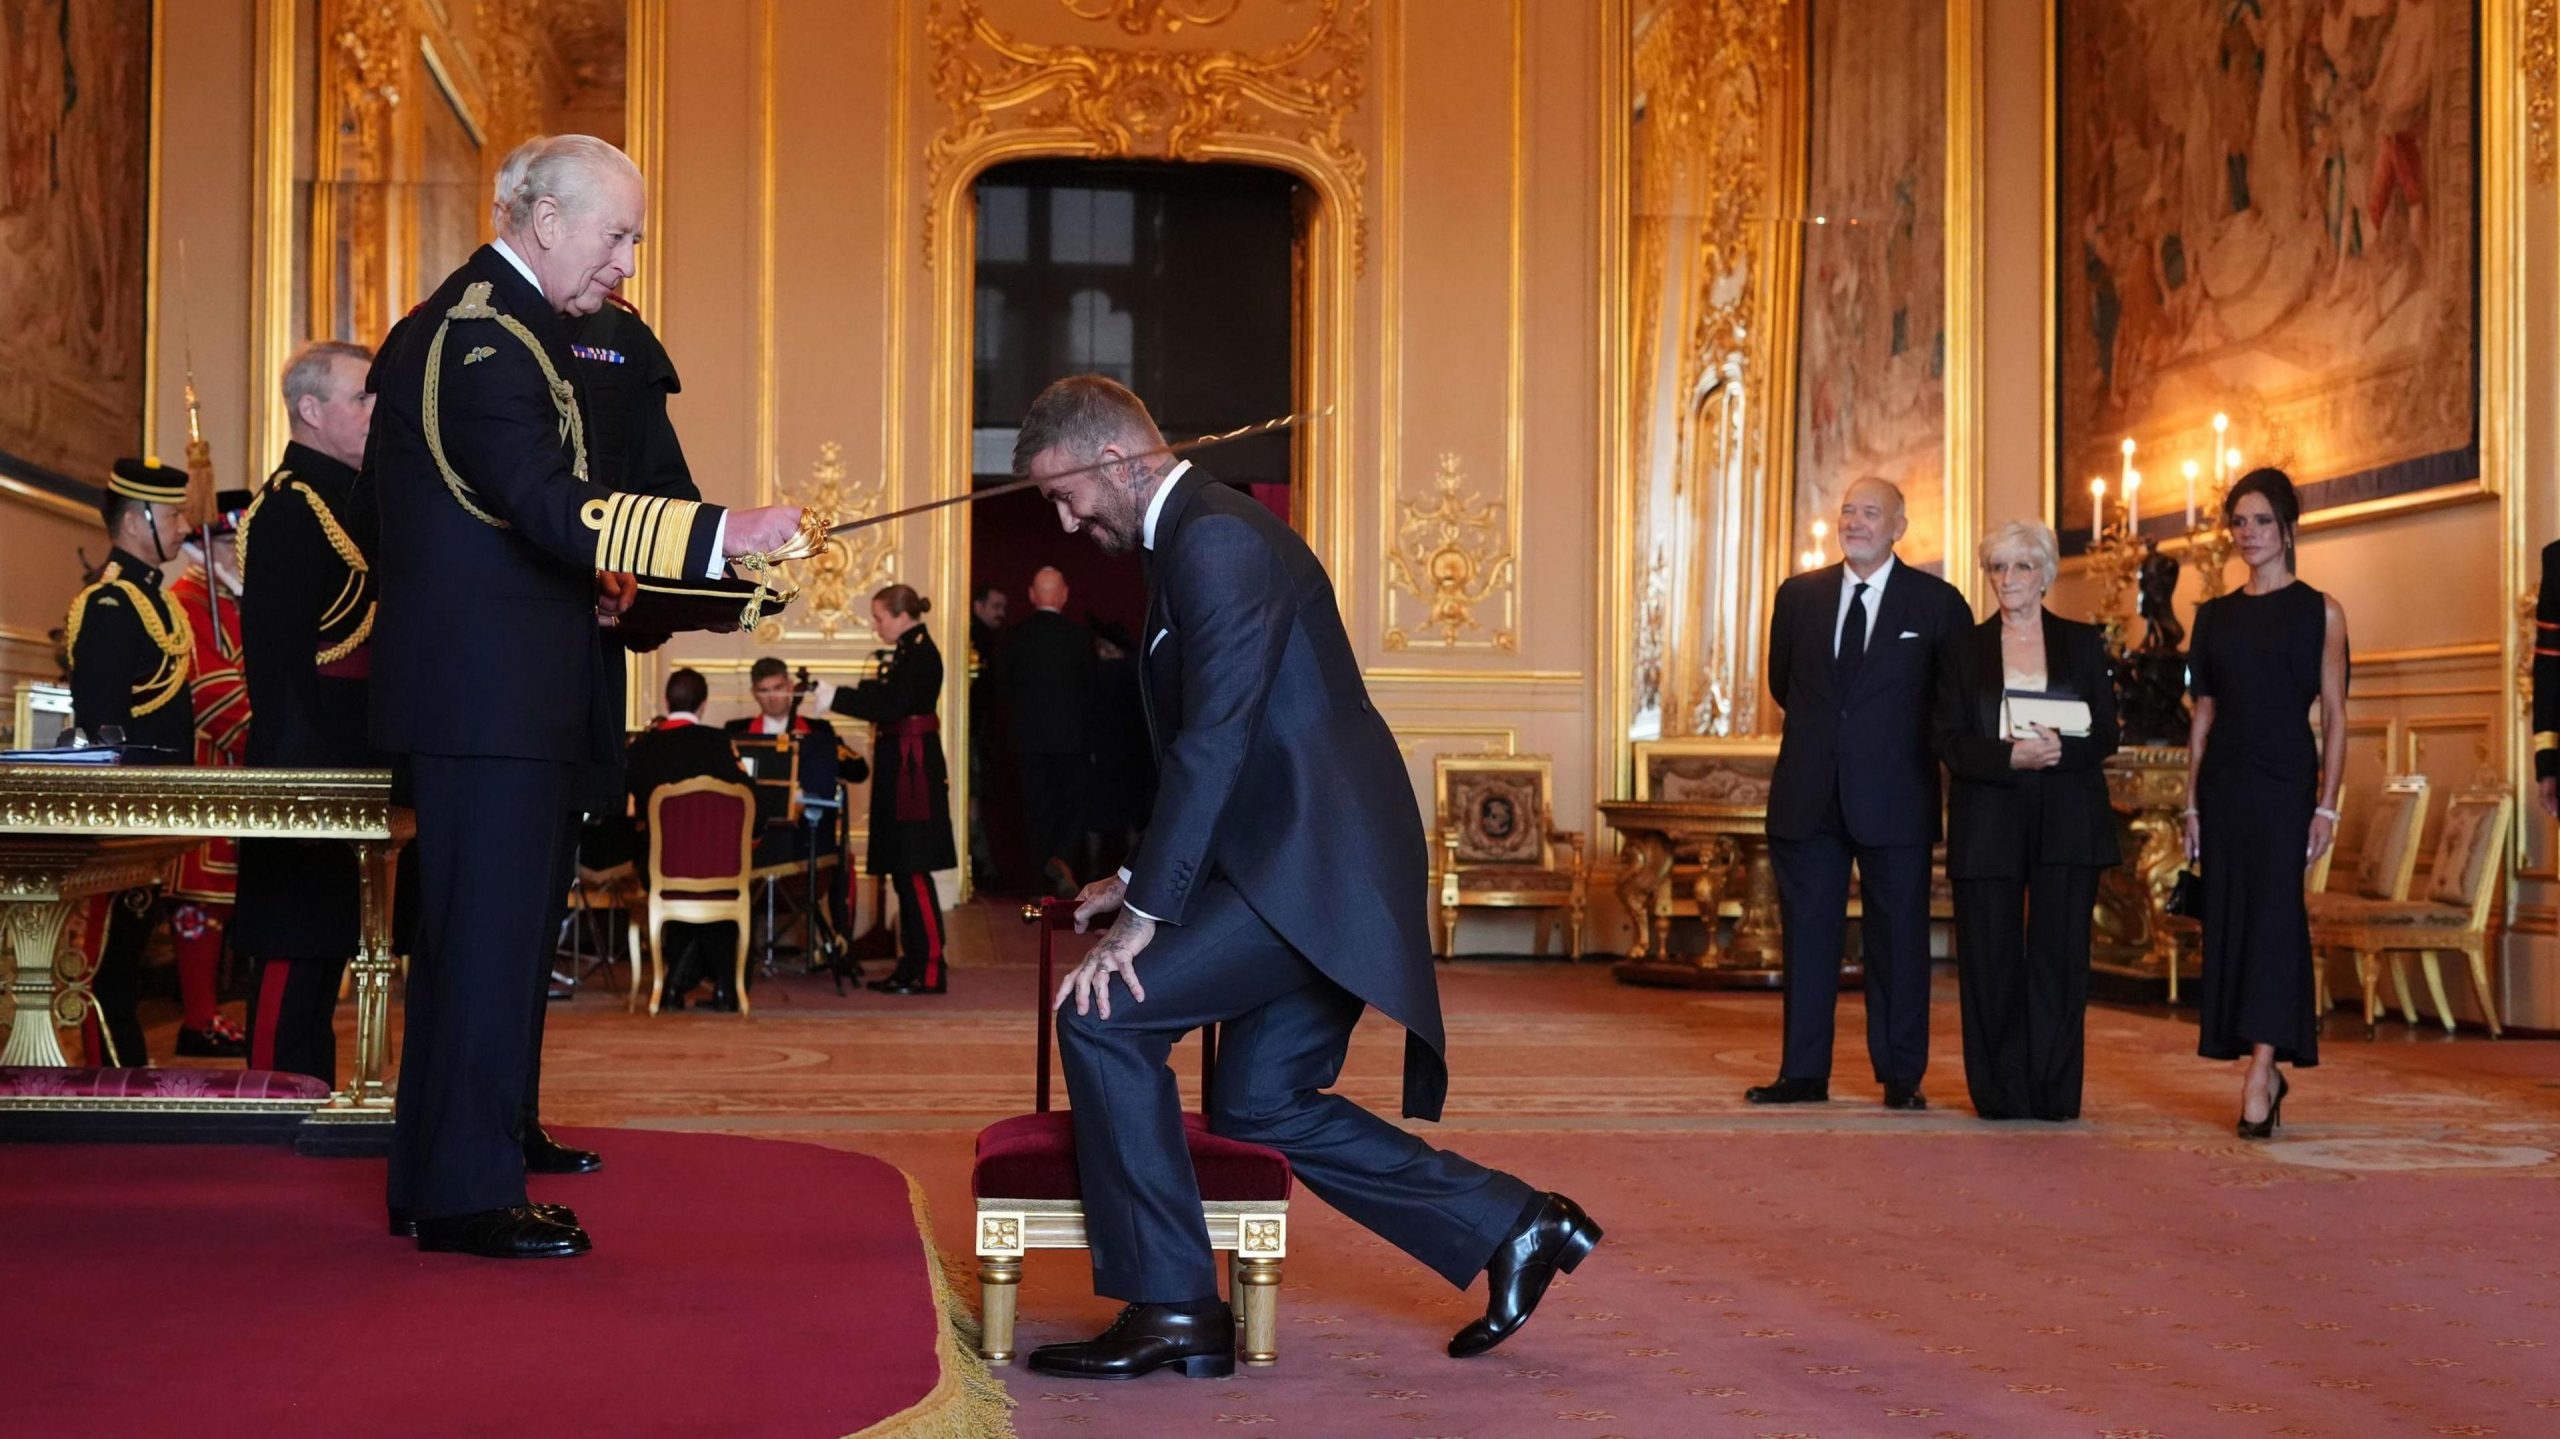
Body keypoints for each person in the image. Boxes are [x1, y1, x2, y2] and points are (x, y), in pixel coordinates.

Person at [1015, 376, 1594, 1381]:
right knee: (1260, 1098)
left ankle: (1171, 1307)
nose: (1065, 522)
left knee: (1103, 1015)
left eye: (1066, 495)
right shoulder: (1192, 536)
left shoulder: (1219, 538)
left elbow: (1219, 739)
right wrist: (1137, 870)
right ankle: (1516, 1223)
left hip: (1309, 871)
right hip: (1300, 858)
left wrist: (1147, 913)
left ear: (1115, 460)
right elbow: (1235, 745)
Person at [369, 133, 800, 1258]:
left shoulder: (514, 331)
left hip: (511, 697)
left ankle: (444, 1176)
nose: (625, 263)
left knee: (494, 945)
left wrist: (714, 578)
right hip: (488, 703)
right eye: (617, 235)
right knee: (485, 945)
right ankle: (465, 1195)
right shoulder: (480, 336)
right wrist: (724, 530)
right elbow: (547, 500)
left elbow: (558, 515)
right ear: (544, 220)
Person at [1748, 476, 1972, 1111]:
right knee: (1808, 940)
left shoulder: (1937, 604)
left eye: (1871, 513)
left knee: (1899, 943)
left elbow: (1947, 701)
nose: (1856, 522)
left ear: (1899, 527)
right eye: (1848, 511)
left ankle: (1901, 1077)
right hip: (1808, 795)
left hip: (1896, 798)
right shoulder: (1799, 597)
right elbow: (1785, 685)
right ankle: (1803, 1073)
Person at [1934, 520, 2120, 1121]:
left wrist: (2063, 750)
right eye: (1997, 568)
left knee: (2060, 959)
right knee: (1988, 958)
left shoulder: (2083, 643)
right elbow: (1947, 738)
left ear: (2044, 574)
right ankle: (1999, 1092)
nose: (2007, 579)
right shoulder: (1963, 648)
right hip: (1988, 813)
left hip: (2067, 814)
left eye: (2020, 567)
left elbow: (2107, 732)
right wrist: (2008, 756)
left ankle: (2053, 1093)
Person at [2183, 468, 2348, 1139]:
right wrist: (2191, 803)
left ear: (2286, 526)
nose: (2247, 534)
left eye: (2259, 521)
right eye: (2238, 522)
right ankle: (2262, 1064)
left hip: (2286, 786)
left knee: (2277, 919)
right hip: (2224, 787)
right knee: (2234, 921)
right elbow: (2203, 715)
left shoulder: (2321, 610)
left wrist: (2328, 805)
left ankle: (2261, 1068)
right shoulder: (2213, 616)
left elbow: (2336, 714)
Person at [234, 340, 380, 1085]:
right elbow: (278, 661)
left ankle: (311, 1099)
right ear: (312, 411)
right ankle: (269, 1108)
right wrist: (297, 788)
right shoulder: (291, 507)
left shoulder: (355, 500)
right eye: (362, 396)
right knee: (296, 954)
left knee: (331, 953)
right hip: (309, 769)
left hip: (357, 762)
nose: (375, 409)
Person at [64, 458, 199, 1067]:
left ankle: (127, 1076)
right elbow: (101, 725)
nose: (183, 526)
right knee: (105, 974)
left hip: (153, 819)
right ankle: (107, 1087)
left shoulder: (154, 603)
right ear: (135, 520)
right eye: (172, 514)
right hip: (121, 823)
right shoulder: (110, 605)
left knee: (126, 966)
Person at [808, 585, 958, 996]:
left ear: (902, 615)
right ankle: (911, 964)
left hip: (913, 772)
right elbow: (884, 697)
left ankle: (928, 967)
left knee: (912, 866)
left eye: (879, 618)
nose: (876, 626)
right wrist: (833, 691)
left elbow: (891, 704)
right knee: (902, 867)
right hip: (904, 766)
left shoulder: (921, 653)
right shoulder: (910, 651)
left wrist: (835, 696)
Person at [164, 487, 257, 1058]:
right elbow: (210, 686)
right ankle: (198, 1016)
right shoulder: (188, 597)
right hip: (206, 762)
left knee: (222, 895)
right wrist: (260, 737)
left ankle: (210, 1012)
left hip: (235, 769)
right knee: (201, 891)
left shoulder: (231, 597)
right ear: (219, 544)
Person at [626, 668, 751, 1009]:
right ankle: (724, 988)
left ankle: (673, 986)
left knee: (678, 885)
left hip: (660, 867)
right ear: (704, 705)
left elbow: (624, 806)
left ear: (667, 701)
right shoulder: (718, 743)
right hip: (719, 868)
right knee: (714, 891)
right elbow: (750, 799)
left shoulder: (642, 747)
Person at [1003, 565, 1097, 895]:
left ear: (1032, 596)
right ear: (1064, 595)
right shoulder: (1079, 638)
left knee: (1035, 809)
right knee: (1072, 806)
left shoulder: (1013, 638)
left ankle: (1039, 880)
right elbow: (1091, 691)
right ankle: (1062, 858)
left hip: (1027, 741)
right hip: (1071, 740)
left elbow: (1002, 691)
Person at [1084, 618, 1154, 878]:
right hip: (1133, 755)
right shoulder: (1136, 673)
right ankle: (1133, 875)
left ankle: (1092, 871)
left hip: (1102, 755)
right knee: (1132, 819)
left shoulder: (1098, 675)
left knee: (1096, 818)